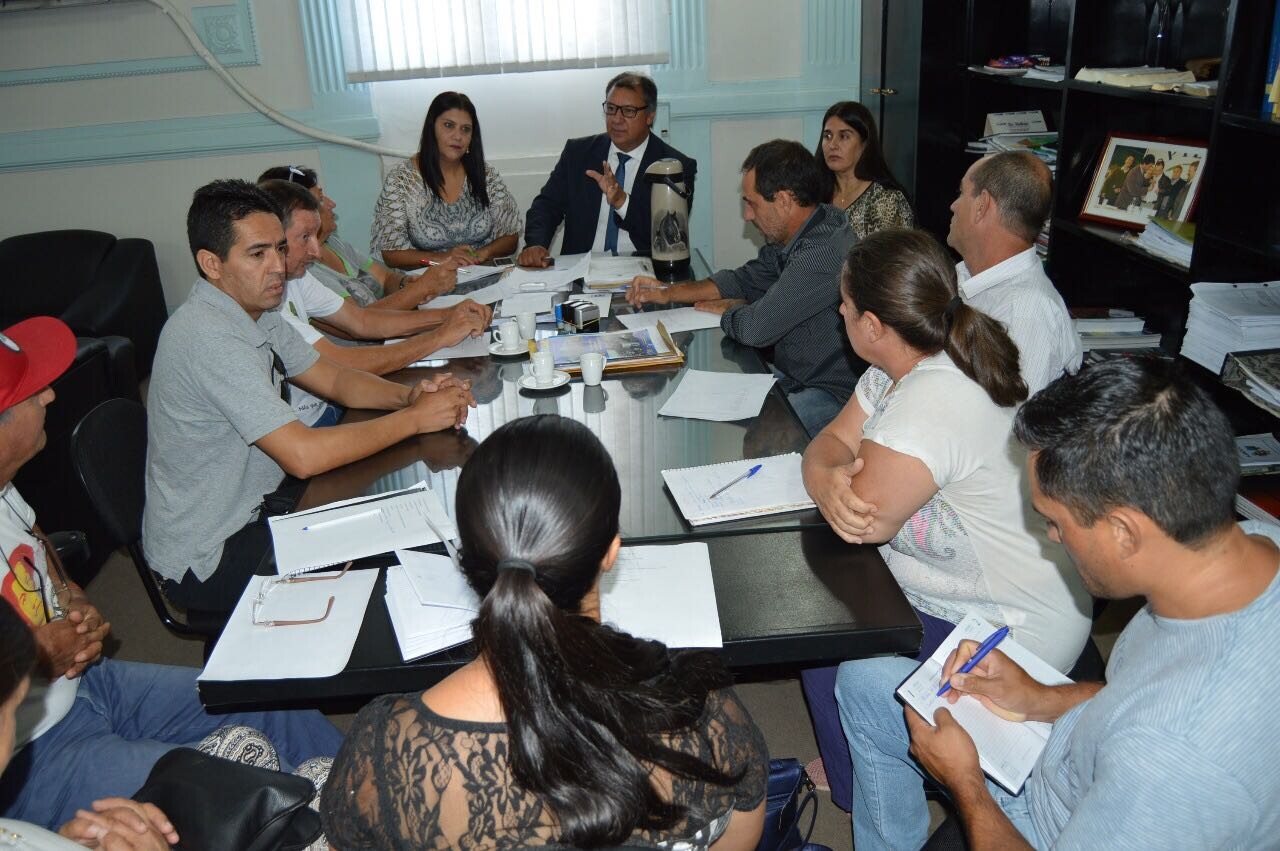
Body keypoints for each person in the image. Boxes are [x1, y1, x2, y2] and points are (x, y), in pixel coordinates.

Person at [847, 358, 1280, 849]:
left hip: (1048, 829)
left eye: (1055, 521)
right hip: (1083, 763)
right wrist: (1039, 697)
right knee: (865, 681)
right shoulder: (1255, 546)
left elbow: (1159, 732)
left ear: (1124, 532)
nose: (1052, 537)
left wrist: (966, 784)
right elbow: (1135, 696)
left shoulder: (1169, 755)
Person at [321, 415, 768, 849]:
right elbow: (741, 836)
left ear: (469, 560)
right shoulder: (705, 712)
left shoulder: (388, 751)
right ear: (611, 551)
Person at [0, 315, 344, 833]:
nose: (49, 395)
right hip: (31, 757)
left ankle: (375, 805)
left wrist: (71, 595)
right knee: (229, 795)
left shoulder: (5, 485)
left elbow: (34, 536)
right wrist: (37, 655)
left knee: (276, 708)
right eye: (31, 394)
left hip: (93, 684)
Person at [799, 229, 1091, 816]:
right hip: (969, 594)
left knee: (824, 635)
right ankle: (867, 756)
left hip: (1013, 626)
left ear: (873, 325)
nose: (839, 313)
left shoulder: (931, 397)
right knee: (833, 615)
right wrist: (825, 475)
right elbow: (829, 444)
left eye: (845, 305)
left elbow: (859, 521)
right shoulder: (902, 363)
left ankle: (863, 772)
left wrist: (831, 480)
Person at [144, 180, 477, 613]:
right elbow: (304, 456)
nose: (278, 266)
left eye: (280, 249)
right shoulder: (207, 337)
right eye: (258, 254)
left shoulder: (255, 311)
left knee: (418, 527)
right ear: (212, 264)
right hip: (213, 551)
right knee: (406, 560)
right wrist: (416, 419)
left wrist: (410, 396)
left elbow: (335, 380)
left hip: (266, 503)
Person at [627, 139, 864, 435]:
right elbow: (744, 279)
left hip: (834, 395)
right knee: (701, 408)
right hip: (795, 377)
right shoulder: (807, 228)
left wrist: (735, 309)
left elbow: (755, 329)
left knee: (759, 434)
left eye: (752, 203)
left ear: (784, 200)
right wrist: (666, 292)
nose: (747, 216)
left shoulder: (821, 253)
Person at [257, 179, 490, 426]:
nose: (316, 251)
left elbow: (362, 321)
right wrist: (440, 337)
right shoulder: (268, 303)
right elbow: (342, 364)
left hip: (332, 405)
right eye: (305, 237)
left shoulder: (296, 277)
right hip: (308, 422)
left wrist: (449, 315)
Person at [519, 72, 697, 266]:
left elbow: (668, 234)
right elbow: (546, 205)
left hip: (642, 271)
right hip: (581, 269)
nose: (616, 119)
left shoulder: (675, 168)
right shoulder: (578, 154)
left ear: (650, 116)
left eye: (628, 111)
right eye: (611, 109)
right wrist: (535, 244)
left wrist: (622, 201)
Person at [945, 151, 1081, 393]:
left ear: (981, 205)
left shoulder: (1026, 314)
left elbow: (1007, 415)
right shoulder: (968, 277)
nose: (953, 206)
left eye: (961, 193)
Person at [257, 165, 458, 309]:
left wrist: (407, 284)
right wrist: (420, 290)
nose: (331, 204)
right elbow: (361, 324)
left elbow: (385, 277)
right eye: (319, 200)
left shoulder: (333, 243)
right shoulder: (302, 272)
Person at [370, 92, 521, 269]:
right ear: (431, 128)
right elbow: (391, 254)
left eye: (466, 129)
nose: (458, 136)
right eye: (449, 125)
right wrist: (442, 258)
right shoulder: (401, 180)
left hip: (482, 272)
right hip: (428, 279)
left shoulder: (486, 175)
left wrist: (481, 254)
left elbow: (510, 237)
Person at [814, 101, 913, 238]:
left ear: (865, 143)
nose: (832, 145)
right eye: (827, 136)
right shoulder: (814, 192)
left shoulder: (886, 200)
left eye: (844, 136)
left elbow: (895, 252)